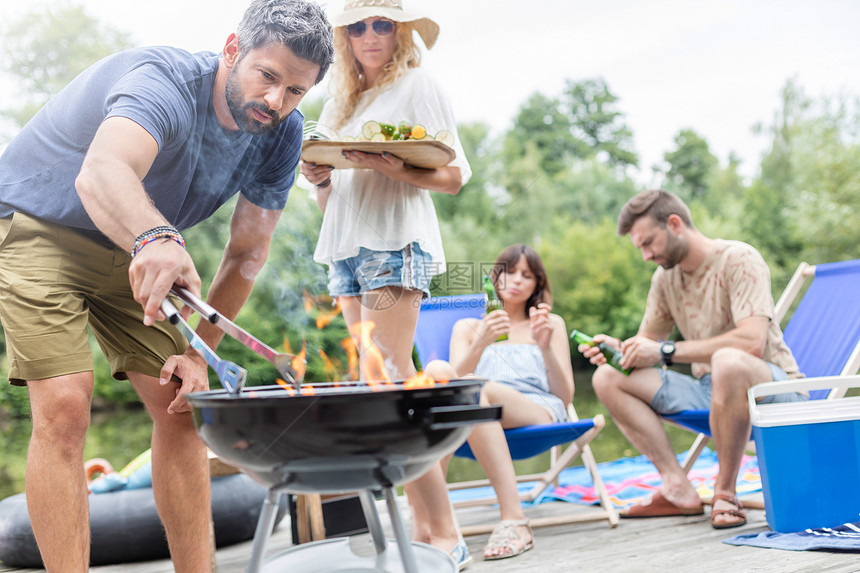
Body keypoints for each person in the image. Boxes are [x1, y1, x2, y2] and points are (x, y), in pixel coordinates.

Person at [0, 1, 333, 571]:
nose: (275, 101)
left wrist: (200, 353)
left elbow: (249, 252)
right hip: (41, 225)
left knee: (182, 405)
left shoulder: (282, 136)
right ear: (233, 49)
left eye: (295, 91)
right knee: (64, 404)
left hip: (142, 248)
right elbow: (102, 171)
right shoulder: (166, 83)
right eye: (268, 76)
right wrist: (156, 236)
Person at [300, 0, 472, 567]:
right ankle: (421, 531)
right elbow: (328, 185)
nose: (370, 34)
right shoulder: (339, 98)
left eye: (382, 24)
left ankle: (446, 534)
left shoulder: (420, 85)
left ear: (399, 32)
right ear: (346, 36)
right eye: (359, 26)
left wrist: (395, 168)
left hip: (396, 241)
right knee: (379, 390)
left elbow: (453, 177)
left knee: (394, 387)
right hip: (344, 246)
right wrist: (317, 174)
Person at [579, 189, 806, 529]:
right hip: (709, 390)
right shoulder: (665, 279)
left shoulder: (739, 259)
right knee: (607, 377)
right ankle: (677, 488)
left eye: (647, 243)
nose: (645, 255)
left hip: (773, 394)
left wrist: (666, 351)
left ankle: (725, 492)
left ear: (674, 224)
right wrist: (619, 350)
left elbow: (752, 342)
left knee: (728, 360)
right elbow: (648, 345)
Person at [434, 243, 574, 560]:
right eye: (509, 271)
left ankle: (513, 518)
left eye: (527, 275)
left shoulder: (550, 324)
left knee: (474, 389)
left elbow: (564, 398)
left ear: (538, 284)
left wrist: (545, 346)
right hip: (480, 412)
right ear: (495, 277)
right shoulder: (468, 328)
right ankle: (439, 519)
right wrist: (482, 340)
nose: (517, 280)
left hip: (538, 409)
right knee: (464, 390)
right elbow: (452, 385)